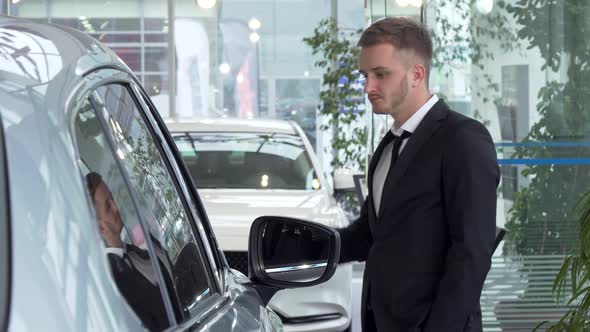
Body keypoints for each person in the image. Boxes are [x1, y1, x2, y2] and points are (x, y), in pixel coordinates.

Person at [337, 17, 500, 331]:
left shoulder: (463, 139)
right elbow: (373, 234)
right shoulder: (387, 147)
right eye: (365, 75)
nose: (368, 87)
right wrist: (301, 246)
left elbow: (471, 254)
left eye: (380, 74)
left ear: (417, 74)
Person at [86, 172, 179, 331]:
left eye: (112, 199)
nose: (116, 208)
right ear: (99, 227)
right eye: (108, 206)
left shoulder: (143, 252)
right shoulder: (109, 279)